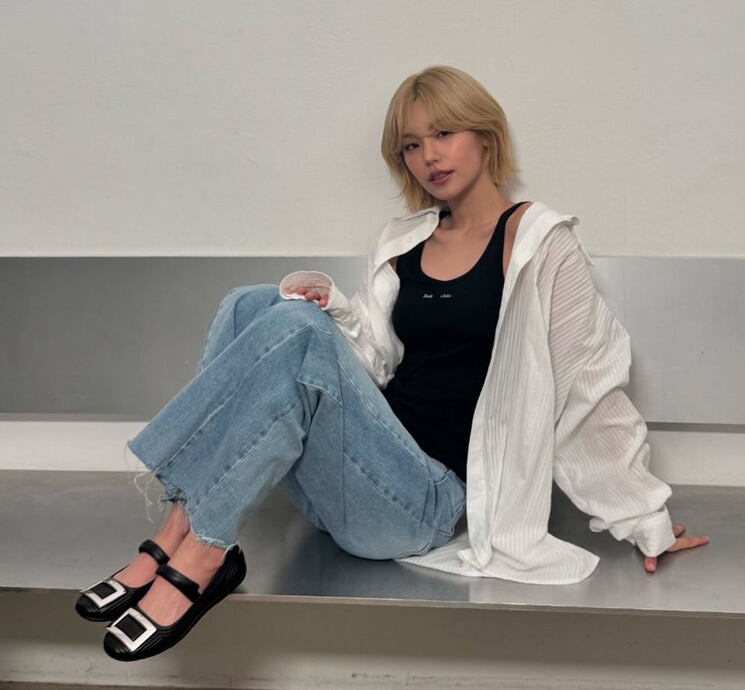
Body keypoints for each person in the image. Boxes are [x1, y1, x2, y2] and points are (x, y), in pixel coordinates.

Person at [75, 64, 708, 660]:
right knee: (251, 303)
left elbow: (587, 386)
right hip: (352, 482)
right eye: (411, 145)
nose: (429, 155)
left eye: (444, 133)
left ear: (485, 137)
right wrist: (334, 311)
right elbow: (373, 364)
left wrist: (643, 519)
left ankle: (206, 550)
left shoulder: (541, 244)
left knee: (292, 325)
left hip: (423, 504)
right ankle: (180, 528)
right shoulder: (403, 241)